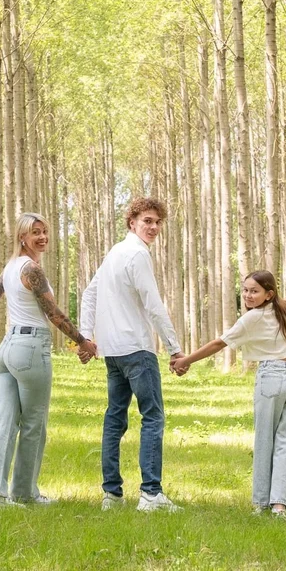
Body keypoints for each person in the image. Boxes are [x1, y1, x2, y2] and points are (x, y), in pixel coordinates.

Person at [0, 213, 98, 509]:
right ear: (22, 237)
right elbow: (54, 313)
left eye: (44, 231)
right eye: (35, 232)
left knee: (3, 421)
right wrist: (84, 342)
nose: (42, 237)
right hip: (30, 348)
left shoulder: (10, 268)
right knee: (33, 423)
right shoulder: (31, 269)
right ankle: (24, 493)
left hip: (7, 351)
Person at [171, 271, 286, 518]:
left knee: (265, 441)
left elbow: (219, 343)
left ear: (268, 294)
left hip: (270, 377)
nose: (248, 296)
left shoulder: (252, 318)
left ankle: (262, 503)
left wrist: (186, 360)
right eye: (245, 290)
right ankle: (279, 506)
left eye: (254, 291)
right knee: (285, 443)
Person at [80, 197, 184, 513]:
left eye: (157, 222)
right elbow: (152, 304)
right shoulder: (137, 254)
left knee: (115, 419)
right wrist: (175, 347)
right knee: (153, 416)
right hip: (137, 350)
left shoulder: (115, 253)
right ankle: (151, 494)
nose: (153, 227)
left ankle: (111, 496)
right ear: (132, 222)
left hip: (112, 351)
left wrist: (87, 338)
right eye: (147, 221)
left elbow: (88, 294)